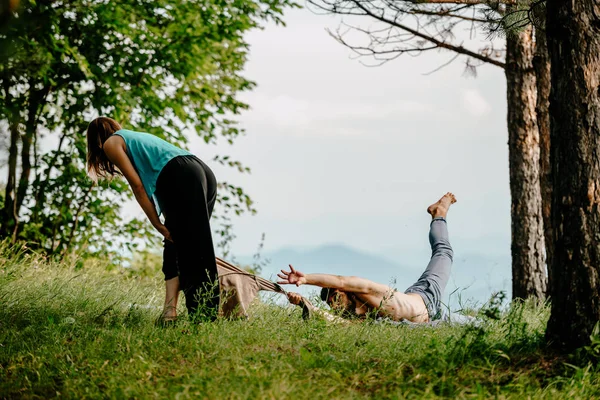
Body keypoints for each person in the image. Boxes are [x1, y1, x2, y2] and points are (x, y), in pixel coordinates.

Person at [86, 117, 219, 321]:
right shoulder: (135, 138)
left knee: (187, 248)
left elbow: (138, 187)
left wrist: (157, 224)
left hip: (179, 174)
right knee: (188, 244)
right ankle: (172, 312)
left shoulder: (110, 143)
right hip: (201, 171)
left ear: (95, 142)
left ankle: (202, 316)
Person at [279, 193, 457, 323]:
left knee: (443, 252)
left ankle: (439, 213)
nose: (333, 302)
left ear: (343, 290)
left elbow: (340, 280)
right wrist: (303, 303)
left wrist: (306, 279)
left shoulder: (368, 290)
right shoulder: (358, 317)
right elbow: (335, 323)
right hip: (435, 318)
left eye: (334, 294)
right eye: (330, 302)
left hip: (426, 296)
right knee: (479, 325)